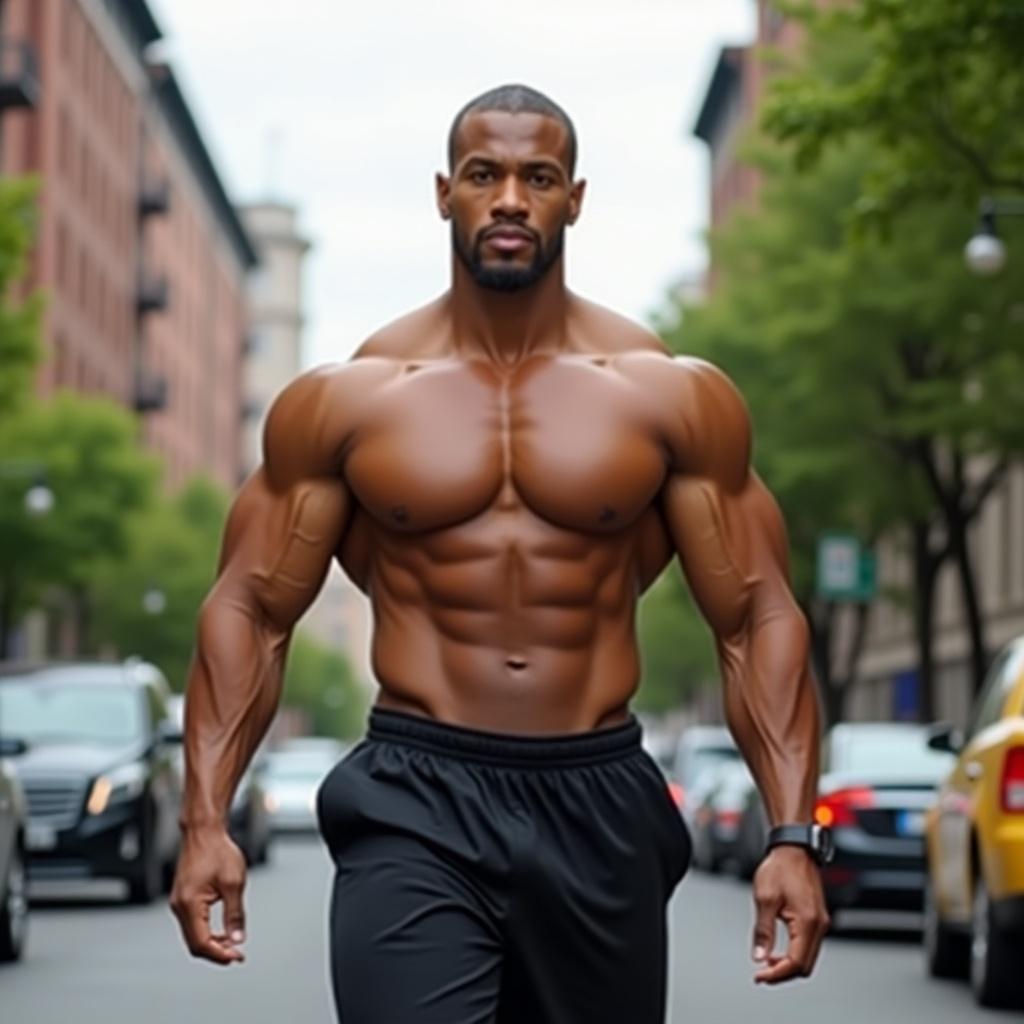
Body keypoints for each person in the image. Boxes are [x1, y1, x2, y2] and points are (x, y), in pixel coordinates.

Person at [170, 83, 829, 1022]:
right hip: (415, 796)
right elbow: (250, 608)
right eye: (485, 174)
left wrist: (792, 837)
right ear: (446, 193)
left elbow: (758, 613)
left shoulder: (666, 397)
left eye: (539, 176)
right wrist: (205, 821)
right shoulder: (350, 401)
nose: (511, 199)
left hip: (596, 795)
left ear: (575, 198)